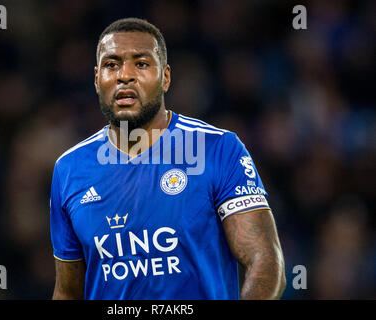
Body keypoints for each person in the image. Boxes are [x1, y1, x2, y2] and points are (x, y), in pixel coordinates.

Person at [50, 18, 286, 300]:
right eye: (112, 65)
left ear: (166, 77)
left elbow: (265, 261)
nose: (125, 75)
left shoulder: (217, 149)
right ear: (97, 79)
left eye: (141, 63)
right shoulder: (69, 169)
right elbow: (67, 292)